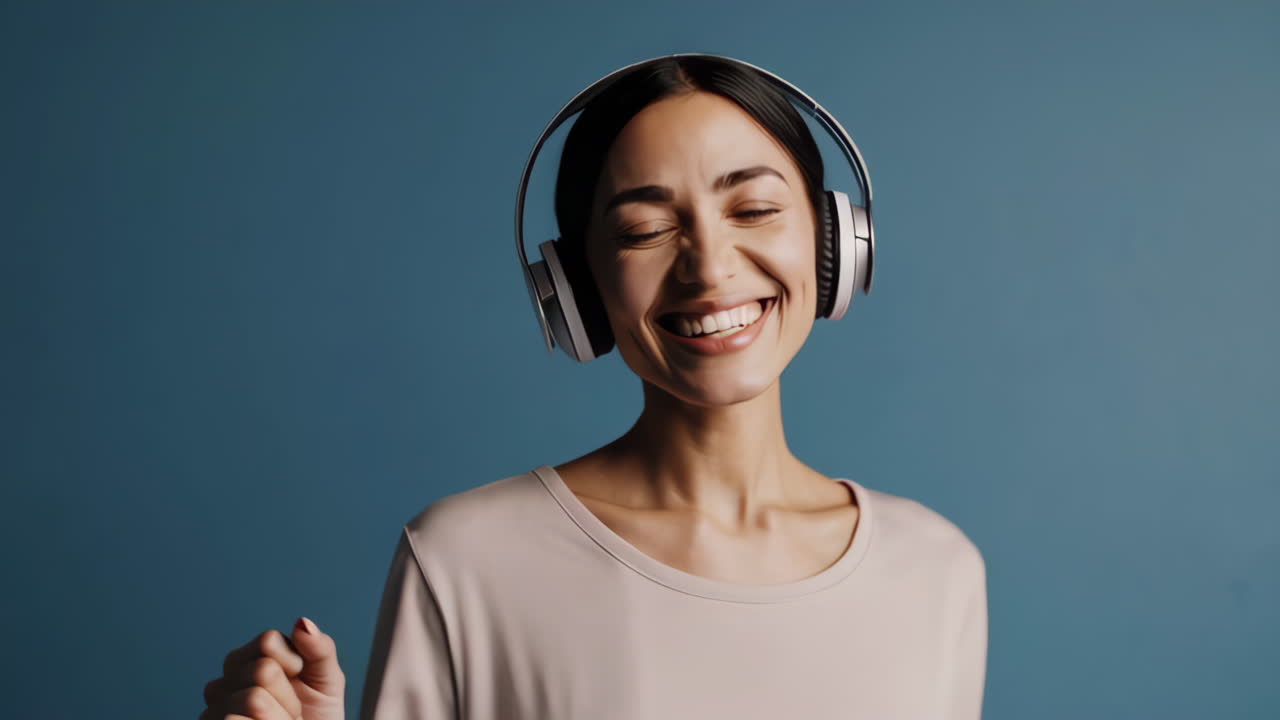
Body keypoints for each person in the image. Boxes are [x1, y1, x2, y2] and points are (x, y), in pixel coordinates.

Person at [197, 54, 988, 720]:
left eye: (753, 208)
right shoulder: (465, 560)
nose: (709, 267)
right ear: (577, 288)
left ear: (833, 244)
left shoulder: (936, 569)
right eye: (644, 230)